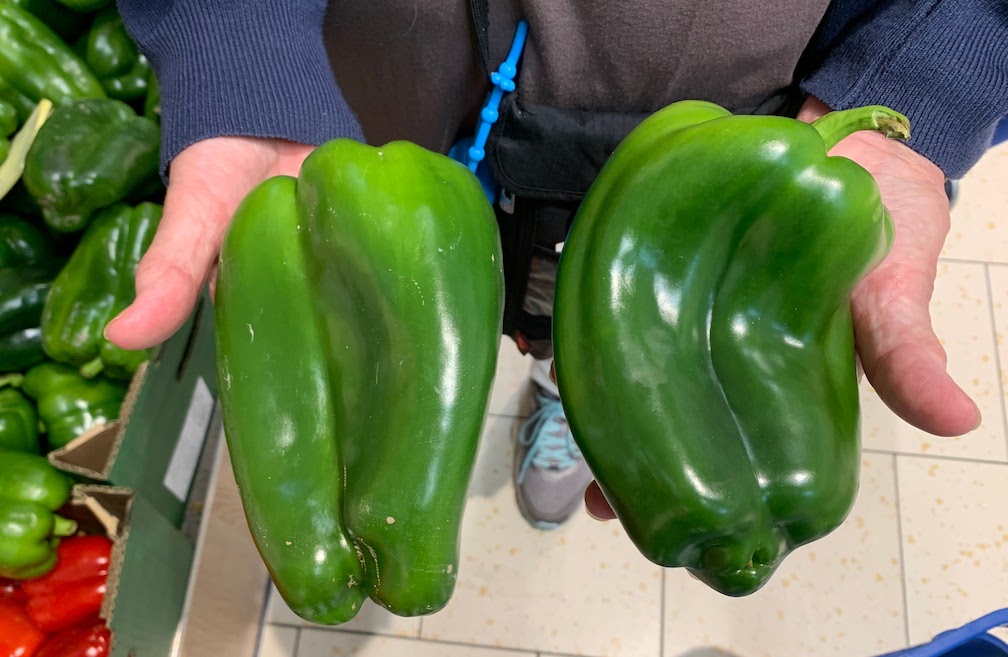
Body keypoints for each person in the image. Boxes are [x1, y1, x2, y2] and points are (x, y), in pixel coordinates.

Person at [108, 1, 1006, 528]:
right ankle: (542, 380)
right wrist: (235, 38)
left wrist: (927, 74)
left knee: (632, 300)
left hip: (719, 109)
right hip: (374, 79)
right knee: (410, 291)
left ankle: (567, 385)